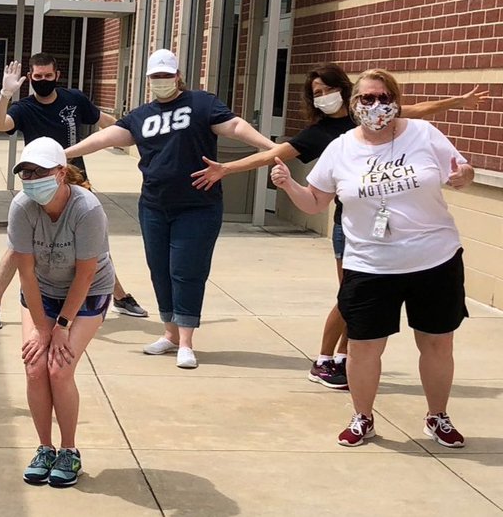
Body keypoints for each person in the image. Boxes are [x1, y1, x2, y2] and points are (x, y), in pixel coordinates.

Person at [191, 65, 488, 389]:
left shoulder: (387, 117)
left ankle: (344, 359)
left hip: (408, 240)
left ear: (344, 90)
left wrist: (459, 101)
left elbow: (420, 109)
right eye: (316, 94)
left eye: (326, 90)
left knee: (361, 307)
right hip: (352, 229)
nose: (323, 98)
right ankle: (324, 358)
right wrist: (227, 169)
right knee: (350, 299)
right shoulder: (319, 135)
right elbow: (273, 155)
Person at [271, 68, 474, 448]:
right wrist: (289, 185)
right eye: (367, 98)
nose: (377, 105)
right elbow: (315, 202)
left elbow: (460, 172)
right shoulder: (341, 148)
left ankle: (437, 416)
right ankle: (363, 417)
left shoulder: (422, 134)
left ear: (395, 100)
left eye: (384, 97)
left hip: (434, 258)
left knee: (436, 343)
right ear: (354, 104)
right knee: (364, 346)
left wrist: (465, 174)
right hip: (369, 263)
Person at [65, 49, 275, 369]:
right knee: (160, 270)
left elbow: (234, 126)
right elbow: (106, 138)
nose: (161, 81)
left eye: (166, 75)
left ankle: (187, 343)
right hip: (154, 206)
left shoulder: (202, 104)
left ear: (177, 75)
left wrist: (272, 147)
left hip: (197, 207)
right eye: (156, 77)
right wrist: (64, 153)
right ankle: (170, 333)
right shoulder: (141, 116)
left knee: (186, 271)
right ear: (148, 79)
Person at [0, 54, 146, 331]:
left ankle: (118, 296)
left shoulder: (74, 100)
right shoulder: (24, 108)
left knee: (92, 245)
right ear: (31, 79)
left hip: (75, 180)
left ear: (57, 75)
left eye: (48, 76)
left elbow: (105, 121)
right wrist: (5, 94)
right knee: (18, 246)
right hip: (40, 181)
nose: (43, 81)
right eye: (37, 77)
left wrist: (137, 134)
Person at [10, 138, 115, 488]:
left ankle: (69, 451)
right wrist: (42, 327)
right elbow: (25, 271)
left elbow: (86, 274)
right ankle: (45, 448)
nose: (30, 178)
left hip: (87, 294)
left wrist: (63, 326)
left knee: (59, 367)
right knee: (35, 367)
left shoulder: (87, 209)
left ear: (60, 173)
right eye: (25, 172)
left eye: (39, 171)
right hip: (42, 292)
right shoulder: (21, 207)